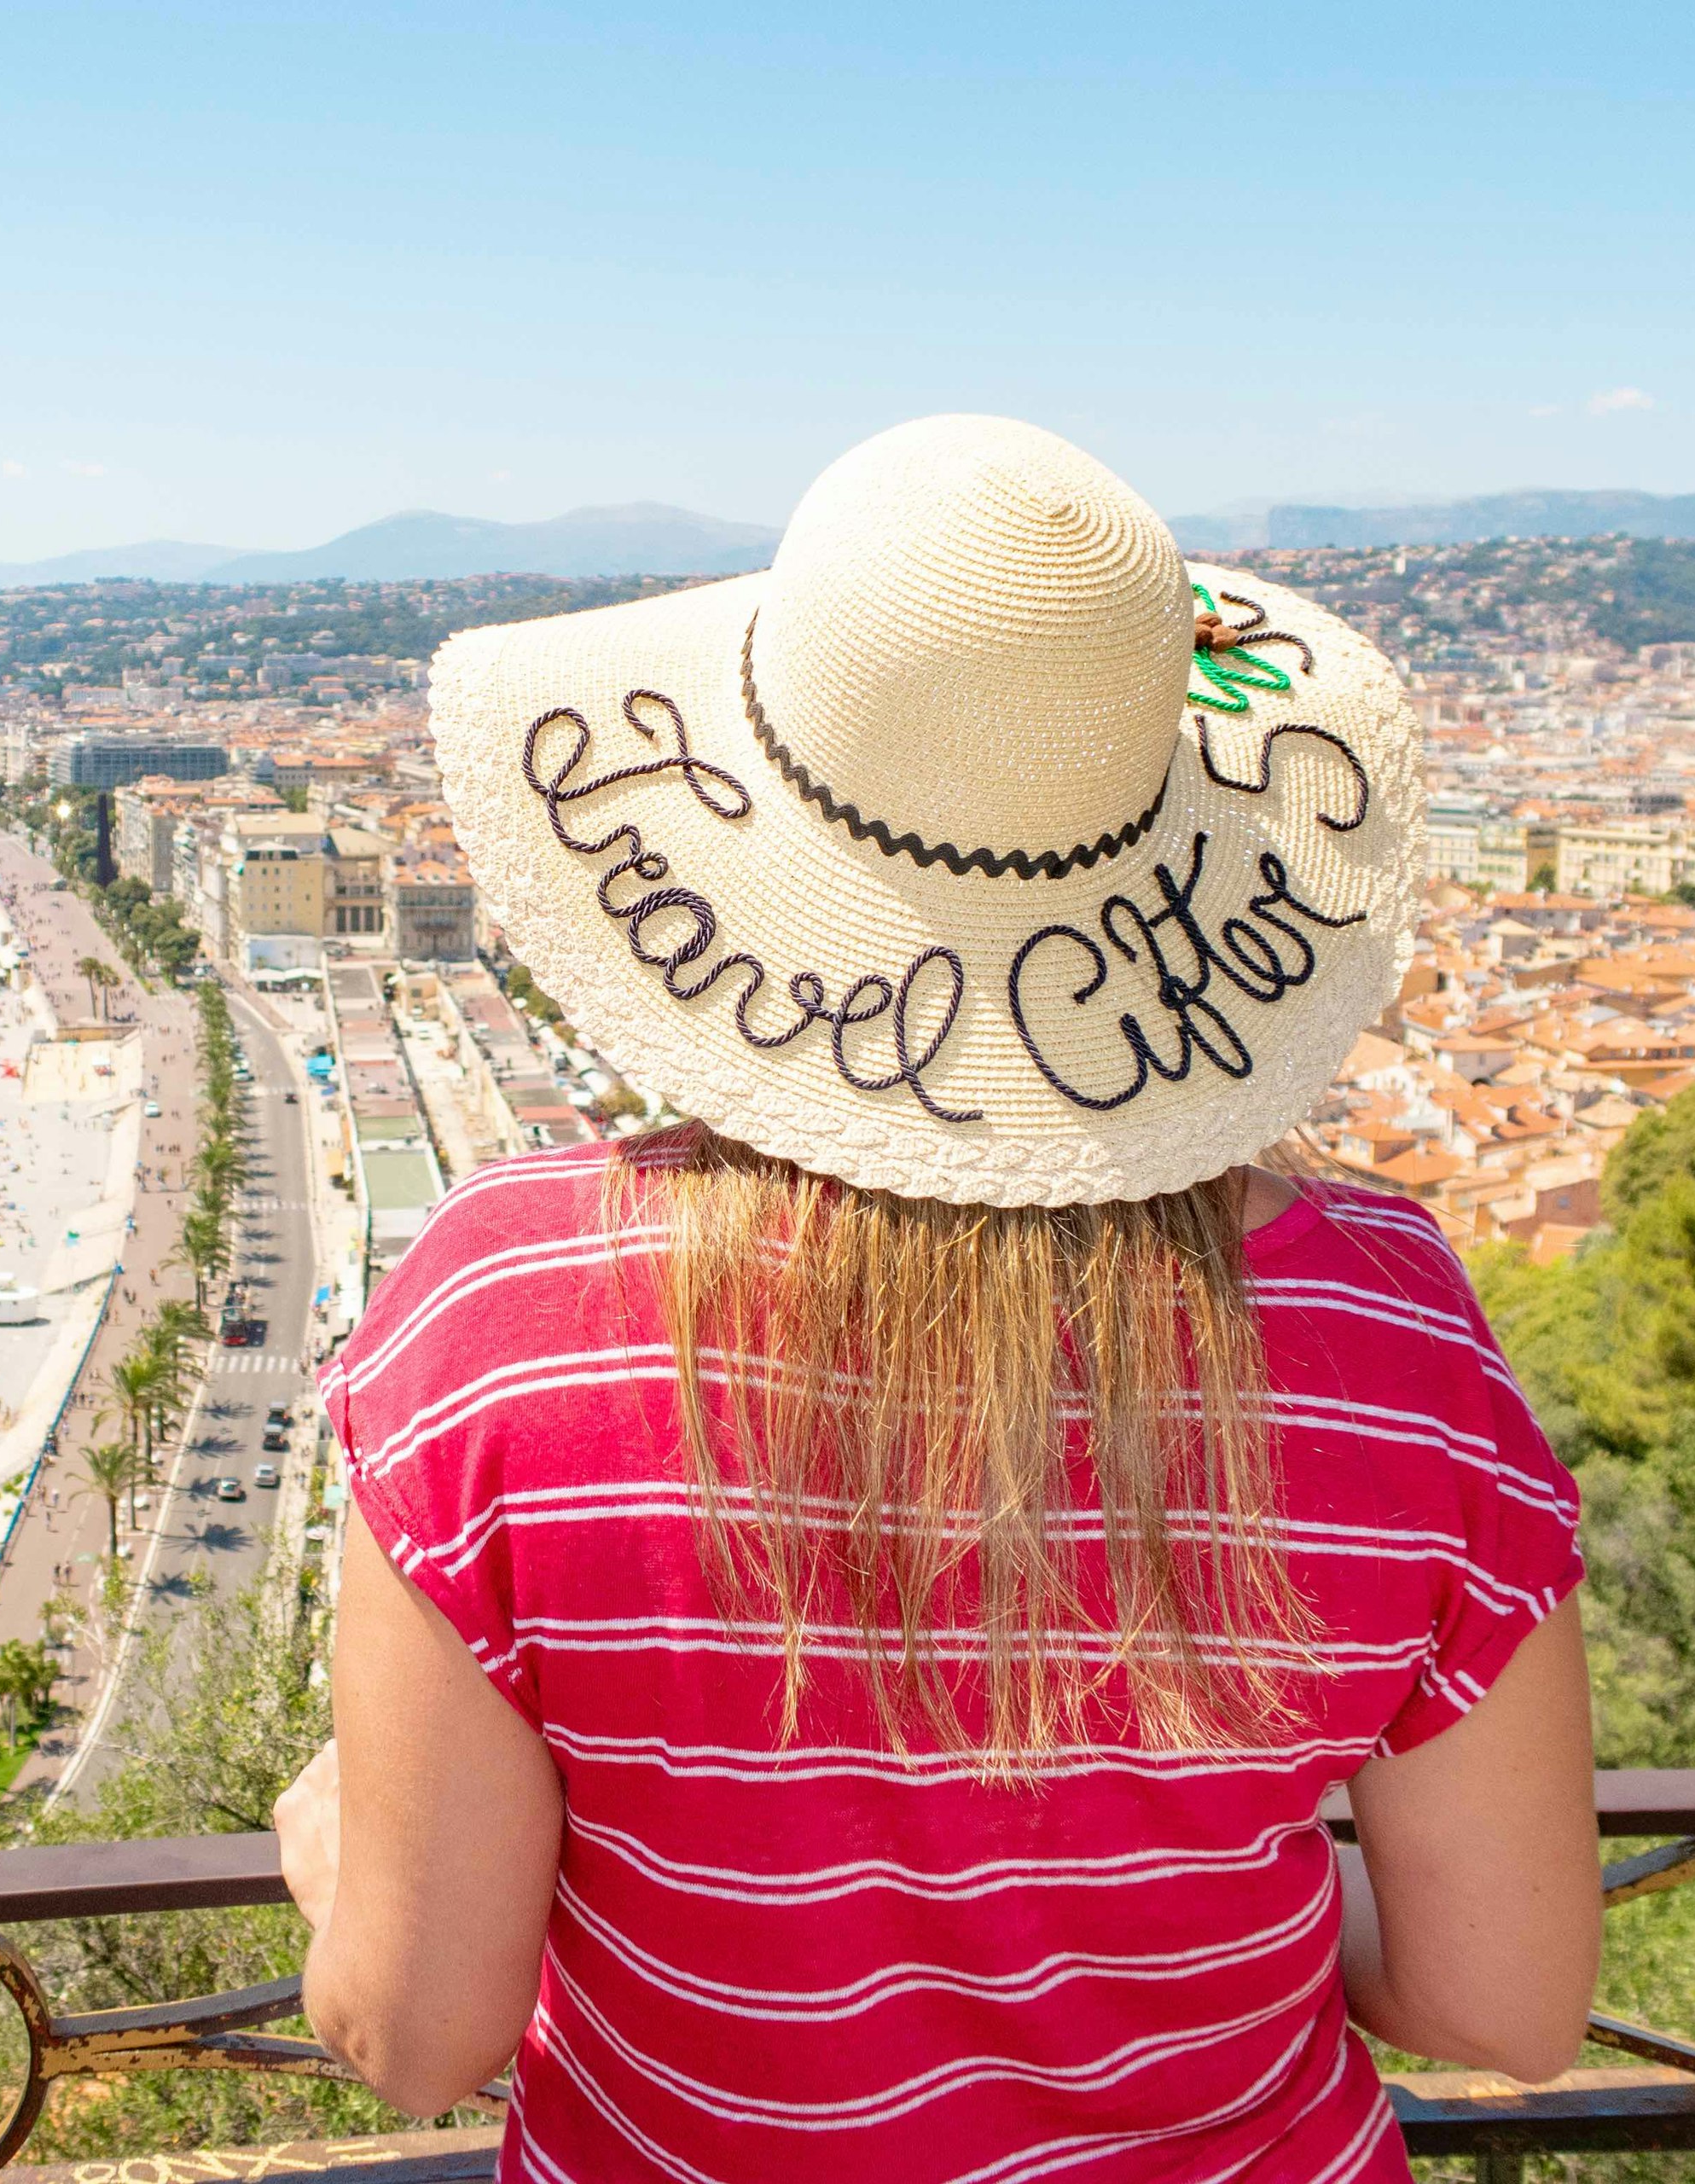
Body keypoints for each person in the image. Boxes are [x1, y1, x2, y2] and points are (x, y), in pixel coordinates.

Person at [275, 417, 1598, 2181]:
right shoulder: (1395, 1328)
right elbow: (1506, 2003)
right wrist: (1242, 1898)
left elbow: (418, 2027)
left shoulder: (504, 1320)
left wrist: (324, 1839)